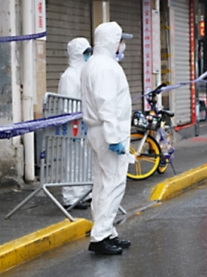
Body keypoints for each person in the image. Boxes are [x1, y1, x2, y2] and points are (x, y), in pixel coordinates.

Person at [81, 22, 134, 255]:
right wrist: (114, 137)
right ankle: (100, 236)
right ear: (113, 41)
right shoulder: (105, 67)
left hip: (99, 131)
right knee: (113, 184)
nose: (122, 45)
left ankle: (107, 231)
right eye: (120, 40)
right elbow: (107, 104)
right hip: (107, 132)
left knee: (102, 183)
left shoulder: (95, 64)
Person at [58, 37, 93, 210]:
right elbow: (67, 104)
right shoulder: (69, 76)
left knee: (84, 160)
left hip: (84, 124)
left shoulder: (82, 74)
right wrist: (75, 122)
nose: (88, 56)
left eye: (89, 52)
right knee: (73, 161)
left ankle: (85, 194)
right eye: (85, 53)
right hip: (73, 125)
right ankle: (71, 197)